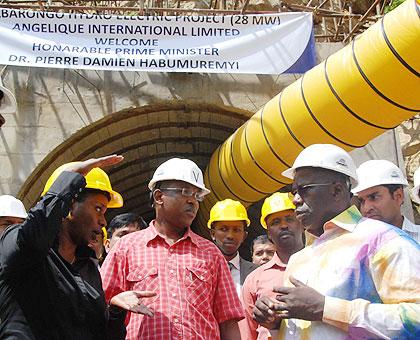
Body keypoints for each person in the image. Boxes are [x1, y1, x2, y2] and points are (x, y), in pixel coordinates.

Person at [253, 144, 420, 339]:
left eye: (305, 190)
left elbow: (415, 318)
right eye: (294, 192)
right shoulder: (300, 258)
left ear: (337, 190)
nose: (296, 200)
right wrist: (275, 323)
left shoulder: (383, 241)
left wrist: (326, 308)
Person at [0, 156, 155, 340]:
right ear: (69, 207)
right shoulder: (21, 244)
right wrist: (71, 178)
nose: (103, 221)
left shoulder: (88, 269)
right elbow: (32, 239)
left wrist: (114, 312)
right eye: (98, 209)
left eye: (104, 212)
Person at [101, 157, 244, 340]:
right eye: (186, 192)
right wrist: (114, 305)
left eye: (197, 195)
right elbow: (98, 308)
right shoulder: (126, 248)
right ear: (159, 197)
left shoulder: (211, 254)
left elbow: (228, 321)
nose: (193, 201)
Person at [242, 193, 304, 340]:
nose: (283, 225)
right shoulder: (254, 279)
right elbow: (246, 333)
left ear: (302, 223)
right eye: (275, 222)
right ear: (269, 232)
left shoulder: (321, 263)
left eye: (289, 219)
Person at [352, 159, 419, 242]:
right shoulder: (356, 246)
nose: (366, 208)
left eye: (374, 197)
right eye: (362, 201)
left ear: (398, 196)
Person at [208, 198, 257, 297]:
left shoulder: (256, 273)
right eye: (223, 229)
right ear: (213, 234)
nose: (230, 235)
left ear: (244, 236)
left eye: (236, 230)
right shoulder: (201, 269)